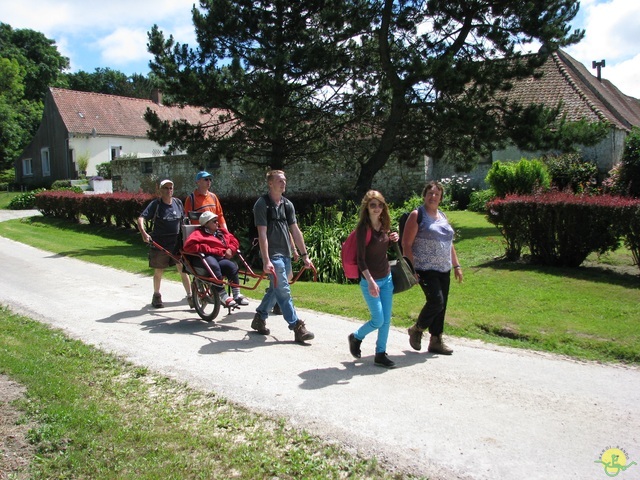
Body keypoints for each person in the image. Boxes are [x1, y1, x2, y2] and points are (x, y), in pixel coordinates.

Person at [251, 170, 314, 343]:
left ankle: (260, 317)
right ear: (270, 183)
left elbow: (294, 230)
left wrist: (303, 255)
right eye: (279, 180)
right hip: (273, 255)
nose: (283, 183)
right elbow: (262, 234)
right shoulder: (261, 204)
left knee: (276, 288)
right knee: (283, 290)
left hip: (285, 254)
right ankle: (297, 326)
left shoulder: (287, 205)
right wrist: (266, 260)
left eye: (285, 180)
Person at [401, 180, 463, 355]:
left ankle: (436, 340)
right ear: (424, 196)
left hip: (444, 268)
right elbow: (406, 244)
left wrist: (456, 265)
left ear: (441, 198)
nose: (433, 197)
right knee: (436, 301)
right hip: (425, 268)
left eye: (437, 194)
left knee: (442, 305)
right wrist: (411, 269)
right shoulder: (417, 214)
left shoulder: (442, 216)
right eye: (430, 193)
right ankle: (417, 329)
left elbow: (449, 243)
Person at [347, 190, 399, 368]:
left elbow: (380, 248)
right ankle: (356, 337)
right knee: (378, 319)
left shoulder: (384, 225)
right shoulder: (363, 229)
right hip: (370, 280)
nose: (377, 208)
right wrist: (370, 281)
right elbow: (361, 259)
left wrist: (393, 239)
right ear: (366, 208)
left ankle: (380, 353)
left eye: (380, 205)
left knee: (386, 319)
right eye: (373, 205)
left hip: (387, 278)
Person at [137, 179, 193, 308]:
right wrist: (144, 233)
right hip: (160, 244)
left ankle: (190, 296)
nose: (169, 191)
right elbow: (141, 218)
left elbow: (184, 221)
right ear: (160, 190)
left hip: (177, 244)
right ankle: (156, 295)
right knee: (159, 270)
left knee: (182, 269)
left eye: (171, 188)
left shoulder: (178, 203)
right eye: (166, 188)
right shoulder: (156, 204)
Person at [182, 211, 249, 307]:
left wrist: (231, 249)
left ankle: (237, 294)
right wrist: (211, 250)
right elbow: (188, 246)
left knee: (231, 265)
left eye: (217, 221)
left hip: (220, 258)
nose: (217, 223)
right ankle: (223, 295)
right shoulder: (198, 234)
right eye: (214, 221)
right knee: (213, 265)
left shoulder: (221, 232)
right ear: (206, 224)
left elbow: (234, 241)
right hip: (204, 258)